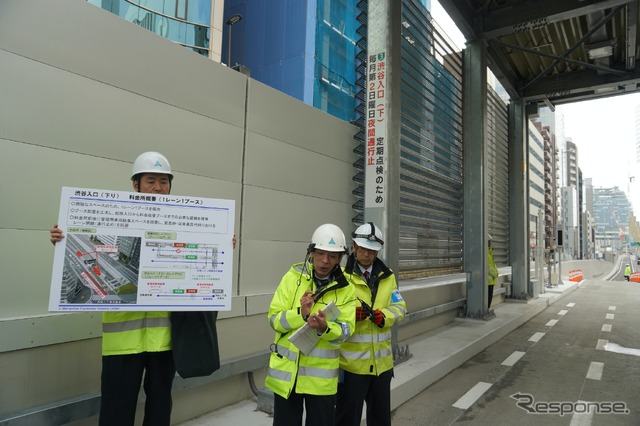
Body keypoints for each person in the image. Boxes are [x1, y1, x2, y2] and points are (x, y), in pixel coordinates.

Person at [50, 152, 235, 426]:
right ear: (135, 185)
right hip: (122, 341)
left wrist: (220, 246)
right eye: (151, 181)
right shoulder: (114, 217)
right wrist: (63, 240)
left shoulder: (184, 223)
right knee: (116, 407)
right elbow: (92, 245)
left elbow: (199, 268)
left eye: (164, 181)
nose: (158, 187)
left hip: (164, 340)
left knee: (160, 406)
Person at [266, 224, 356, 426]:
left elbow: (346, 330)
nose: (325, 261)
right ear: (311, 252)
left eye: (332, 256)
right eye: (320, 253)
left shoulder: (346, 289)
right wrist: (301, 314)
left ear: (340, 258)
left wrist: (325, 328)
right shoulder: (291, 279)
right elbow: (274, 319)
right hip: (287, 377)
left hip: (320, 382)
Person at [336, 222, 406, 426]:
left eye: (372, 250)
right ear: (354, 248)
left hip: (381, 367)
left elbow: (399, 307)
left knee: (380, 420)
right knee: (346, 419)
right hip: (351, 368)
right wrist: (350, 314)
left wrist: (384, 317)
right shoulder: (340, 276)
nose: (367, 254)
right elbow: (330, 311)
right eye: (363, 249)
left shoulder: (388, 276)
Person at [487, 234, 498, 309]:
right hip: (488, 282)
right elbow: (489, 267)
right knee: (488, 299)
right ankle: (486, 310)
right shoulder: (486, 255)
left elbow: (493, 265)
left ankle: (487, 310)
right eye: (489, 241)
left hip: (491, 281)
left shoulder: (489, 254)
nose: (491, 243)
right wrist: (496, 273)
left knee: (489, 298)